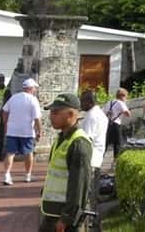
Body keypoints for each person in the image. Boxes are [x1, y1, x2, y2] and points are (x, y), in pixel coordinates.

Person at [39, 93, 92, 232]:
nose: (51, 116)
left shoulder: (79, 143)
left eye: (55, 112)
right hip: (52, 212)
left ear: (70, 114)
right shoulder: (61, 138)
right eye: (51, 112)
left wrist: (67, 218)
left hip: (65, 218)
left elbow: (79, 185)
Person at [1, 78, 42, 185]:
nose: (35, 90)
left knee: (10, 153)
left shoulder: (14, 97)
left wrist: (6, 123)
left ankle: (7, 175)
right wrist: (39, 131)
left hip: (12, 130)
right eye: (34, 88)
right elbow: (37, 118)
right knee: (28, 153)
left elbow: (5, 111)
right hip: (27, 131)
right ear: (31, 88)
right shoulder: (33, 100)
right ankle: (28, 175)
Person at [80, 91, 107, 231]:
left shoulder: (91, 116)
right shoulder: (100, 114)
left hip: (90, 160)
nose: (80, 104)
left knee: (87, 194)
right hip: (97, 159)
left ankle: (88, 223)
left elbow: (86, 140)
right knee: (93, 194)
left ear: (90, 102)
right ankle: (93, 221)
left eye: (82, 101)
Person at [103, 89, 130, 163]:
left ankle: (100, 160)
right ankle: (115, 161)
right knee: (117, 143)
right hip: (116, 125)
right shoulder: (121, 103)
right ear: (122, 96)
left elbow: (104, 113)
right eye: (126, 97)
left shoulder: (109, 102)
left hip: (108, 124)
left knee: (106, 143)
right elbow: (128, 114)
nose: (126, 99)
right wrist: (123, 108)